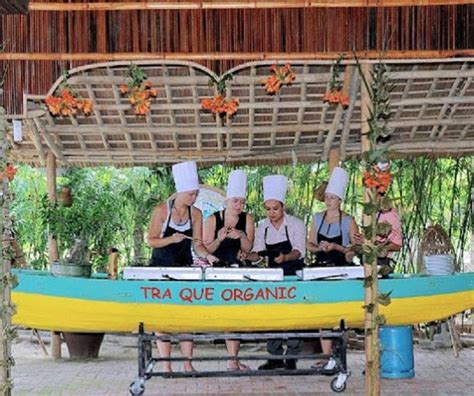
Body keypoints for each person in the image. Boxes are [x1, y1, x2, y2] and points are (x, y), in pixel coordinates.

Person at [147, 160, 218, 373]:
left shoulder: (195, 213)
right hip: (161, 267)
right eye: (191, 194)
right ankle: (166, 365)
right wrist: (170, 240)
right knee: (162, 318)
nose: (194, 198)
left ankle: (187, 363)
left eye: (196, 194)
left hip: (184, 267)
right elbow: (150, 240)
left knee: (186, 316)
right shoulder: (161, 210)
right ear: (180, 191)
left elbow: (197, 243)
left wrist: (209, 256)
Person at [246, 175, 306, 371]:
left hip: (293, 273)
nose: (271, 213)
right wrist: (248, 256)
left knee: (293, 314)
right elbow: (257, 252)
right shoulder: (262, 227)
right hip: (272, 276)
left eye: (275, 208)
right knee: (273, 314)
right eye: (268, 209)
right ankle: (275, 356)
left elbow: (300, 250)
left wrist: (286, 258)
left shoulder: (296, 224)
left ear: (283, 206)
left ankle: (292, 357)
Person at [307, 167, 358, 369]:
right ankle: (326, 355)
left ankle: (338, 355)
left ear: (340, 200)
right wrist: (318, 246)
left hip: (341, 270)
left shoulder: (349, 221)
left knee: (339, 313)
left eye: (333, 197)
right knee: (322, 312)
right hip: (320, 268)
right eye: (327, 197)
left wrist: (338, 247)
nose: (329, 201)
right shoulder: (317, 218)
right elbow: (308, 244)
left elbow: (354, 249)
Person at [203, 169, 255, 371]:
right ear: (226, 201)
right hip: (218, 270)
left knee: (237, 315)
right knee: (225, 314)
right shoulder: (213, 219)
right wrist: (220, 238)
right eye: (235, 201)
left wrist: (241, 235)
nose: (239, 206)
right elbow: (207, 249)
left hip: (239, 270)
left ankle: (233, 358)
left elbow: (248, 248)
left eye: (242, 202)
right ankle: (231, 359)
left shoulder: (247, 219)